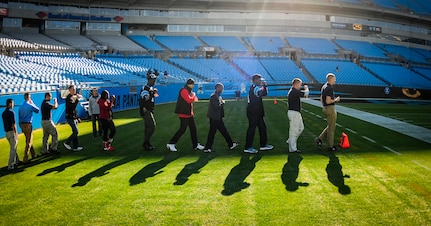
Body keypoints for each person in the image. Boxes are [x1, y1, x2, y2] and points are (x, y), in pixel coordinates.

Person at [166, 78, 205, 152]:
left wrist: (193, 96)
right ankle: (171, 143)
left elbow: (194, 100)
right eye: (192, 84)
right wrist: (193, 95)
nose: (193, 86)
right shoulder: (183, 90)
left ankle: (195, 144)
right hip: (184, 113)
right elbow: (189, 100)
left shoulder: (188, 91)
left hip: (189, 114)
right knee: (182, 129)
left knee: (193, 129)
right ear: (189, 84)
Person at [202, 83, 239, 153]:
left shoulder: (217, 96)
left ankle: (230, 144)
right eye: (221, 88)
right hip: (214, 118)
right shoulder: (214, 96)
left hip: (217, 117)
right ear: (217, 88)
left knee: (221, 131)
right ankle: (207, 148)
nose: (222, 89)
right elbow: (216, 107)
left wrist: (222, 116)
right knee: (214, 132)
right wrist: (222, 103)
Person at [244, 74, 273, 154]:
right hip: (254, 112)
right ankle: (248, 147)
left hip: (256, 112)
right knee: (252, 130)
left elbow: (263, 93)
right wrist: (265, 86)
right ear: (255, 80)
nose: (260, 81)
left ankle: (263, 145)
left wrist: (264, 87)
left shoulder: (254, 87)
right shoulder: (255, 88)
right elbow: (263, 93)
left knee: (262, 128)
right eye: (259, 80)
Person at [315, 73, 341, 152]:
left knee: (330, 126)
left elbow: (321, 98)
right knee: (331, 129)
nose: (335, 80)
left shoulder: (324, 86)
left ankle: (319, 139)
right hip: (330, 108)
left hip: (325, 108)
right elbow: (328, 100)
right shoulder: (329, 88)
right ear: (331, 79)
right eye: (334, 78)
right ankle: (330, 146)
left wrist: (324, 106)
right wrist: (336, 100)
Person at [19, 92, 40, 163]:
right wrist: (32, 103)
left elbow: (19, 117)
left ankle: (33, 154)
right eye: (30, 97)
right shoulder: (30, 105)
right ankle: (25, 158)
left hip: (22, 124)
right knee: (29, 141)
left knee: (28, 139)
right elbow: (37, 110)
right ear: (28, 98)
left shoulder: (21, 106)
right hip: (28, 124)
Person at [139, 73, 158, 151]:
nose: (154, 82)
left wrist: (153, 92)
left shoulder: (150, 88)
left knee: (148, 127)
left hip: (150, 109)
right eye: (153, 80)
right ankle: (146, 143)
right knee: (152, 125)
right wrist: (143, 107)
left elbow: (154, 96)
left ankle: (147, 143)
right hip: (146, 110)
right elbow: (143, 98)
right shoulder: (145, 88)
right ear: (149, 80)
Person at [286, 78, 304, 153]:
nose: (300, 86)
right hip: (294, 113)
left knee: (301, 128)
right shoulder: (294, 91)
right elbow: (304, 93)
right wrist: (306, 89)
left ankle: (290, 140)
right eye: (300, 84)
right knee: (294, 131)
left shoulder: (293, 91)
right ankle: (292, 148)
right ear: (296, 84)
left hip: (295, 112)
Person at [64, 85, 84, 151]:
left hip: (74, 117)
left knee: (75, 132)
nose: (74, 90)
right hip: (70, 117)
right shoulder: (68, 98)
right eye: (73, 89)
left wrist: (77, 117)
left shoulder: (74, 96)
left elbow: (74, 109)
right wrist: (77, 100)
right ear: (69, 90)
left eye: (74, 89)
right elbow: (72, 107)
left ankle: (75, 147)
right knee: (76, 132)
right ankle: (67, 142)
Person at [2, 99, 20, 170]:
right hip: (11, 132)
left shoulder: (3, 113)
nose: (13, 105)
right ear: (9, 104)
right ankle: (10, 165)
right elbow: (13, 124)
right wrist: (16, 133)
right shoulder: (11, 112)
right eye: (12, 103)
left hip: (7, 133)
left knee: (13, 147)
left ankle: (17, 161)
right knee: (13, 149)